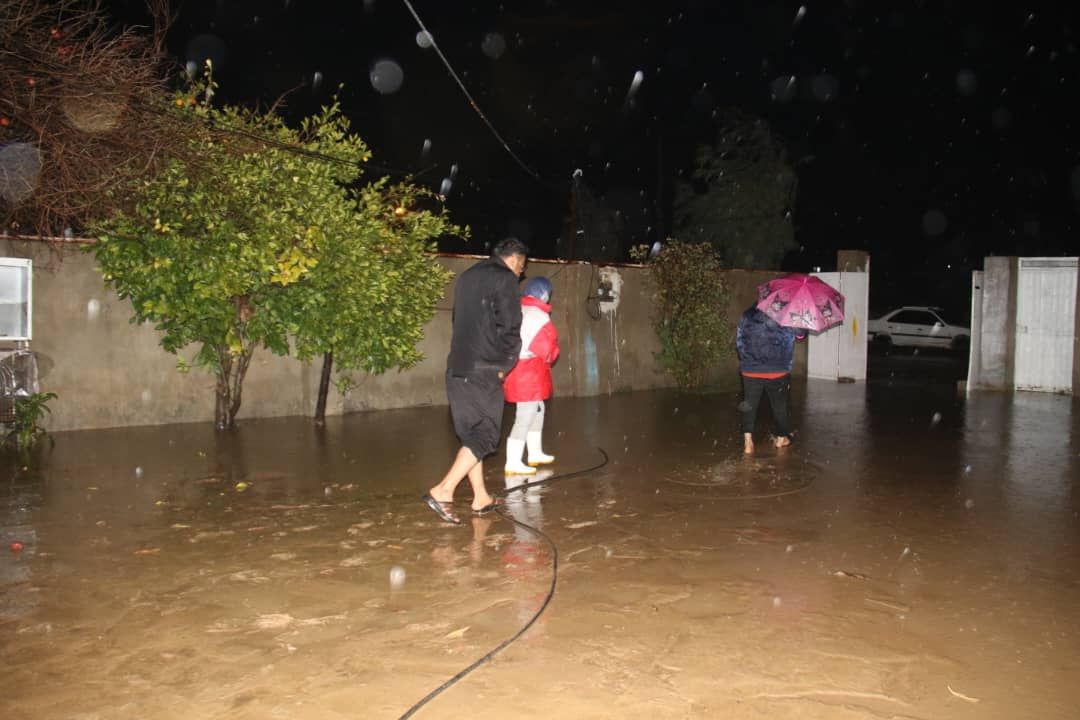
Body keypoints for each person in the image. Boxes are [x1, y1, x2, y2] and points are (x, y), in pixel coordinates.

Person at [423, 238, 528, 524]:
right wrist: (504, 365)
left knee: (471, 436)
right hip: (484, 370)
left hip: (458, 367)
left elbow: (459, 320)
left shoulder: (468, 276)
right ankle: (443, 490)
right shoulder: (505, 279)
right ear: (514, 260)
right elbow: (511, 327)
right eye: (522, 267)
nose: (521, 273)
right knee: (486, 436)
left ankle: (480, 497)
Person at [502, 276, 559, 474]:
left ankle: (534, 453)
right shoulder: (538, 316)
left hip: (519, 369)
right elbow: (547, 349)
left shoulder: (519, 310)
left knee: (537, 410)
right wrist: (554, 352)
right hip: (529, 372)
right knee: (525, 415)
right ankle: (513, 462)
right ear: (544, 295)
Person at [736, 305, 805, 454]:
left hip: (750, 369)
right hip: (777, 369)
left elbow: (740, 341)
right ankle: (781, 439)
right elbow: (800, 336)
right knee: (779, 405)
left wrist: (747, 360)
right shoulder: (787, 314)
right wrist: (800, 322)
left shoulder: (747, 314)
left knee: (749, 404)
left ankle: (748, 442)